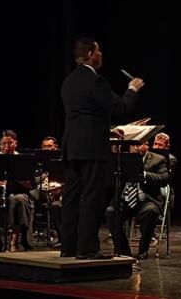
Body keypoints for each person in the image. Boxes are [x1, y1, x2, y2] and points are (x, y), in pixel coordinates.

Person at [60, 37, 145, 259]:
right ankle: (87, 249)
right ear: (89, 54)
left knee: (71, 197)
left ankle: (68, 247)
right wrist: (132, 89)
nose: (101, 55)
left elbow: (83, 115)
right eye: (98, 51)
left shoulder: (68, 81)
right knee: (91, 197)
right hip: (91, 149)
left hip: (72, 146)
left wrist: (106, 130)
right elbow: (121, 107)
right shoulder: (96, 81)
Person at [104, 141, 169, 259]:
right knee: (110, 212)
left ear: (146, 145)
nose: (137, 148)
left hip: (147, 200)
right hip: (126, 198)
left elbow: (164, 179)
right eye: (134, 145)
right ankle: (123, 251)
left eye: (139, 145)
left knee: (149, 212)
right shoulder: (123, 159)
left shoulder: (158, 159)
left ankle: (143, 250)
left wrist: (143, 174)